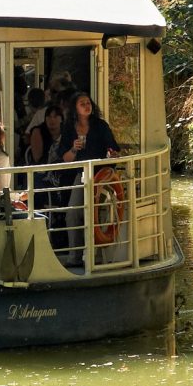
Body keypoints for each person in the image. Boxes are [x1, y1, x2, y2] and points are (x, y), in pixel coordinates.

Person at [56, 92, 121, 263]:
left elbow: (113, 149)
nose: (87, 106)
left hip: (101, 174)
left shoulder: (100, 125)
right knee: (73, 213)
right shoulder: (69, 128)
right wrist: (74, 149)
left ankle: (96, 257)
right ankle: (75, 256)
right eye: (82, 104)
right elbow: (65, 158)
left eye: (88, 103)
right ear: (75, 109)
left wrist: (111, 153)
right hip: (81, 175)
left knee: (95, 212)